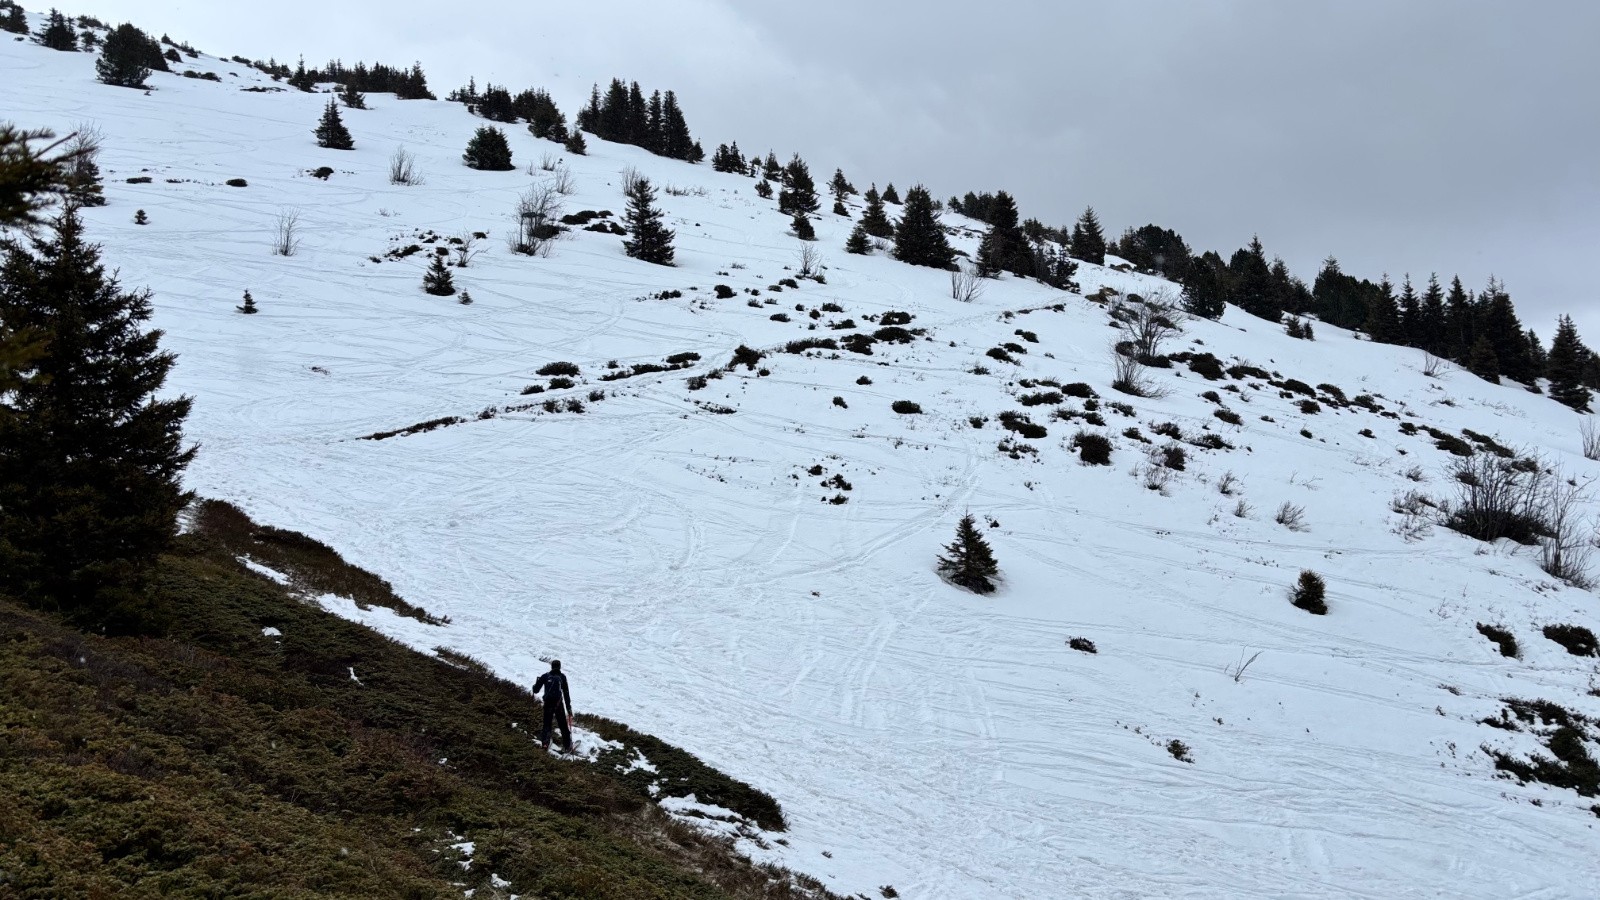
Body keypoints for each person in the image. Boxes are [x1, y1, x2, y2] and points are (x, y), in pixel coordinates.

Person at [533, 659, 573, 752]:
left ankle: (545, 743)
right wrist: (569, 708)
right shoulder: (562, 677)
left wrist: (535, 685)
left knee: (547, 724)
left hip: (548, 703)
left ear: (551, 666)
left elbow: (535, 690)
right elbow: (566, 693)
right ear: (559, 667)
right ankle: (567, 746)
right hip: (558, 704)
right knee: (563, 724)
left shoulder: (545, 676)